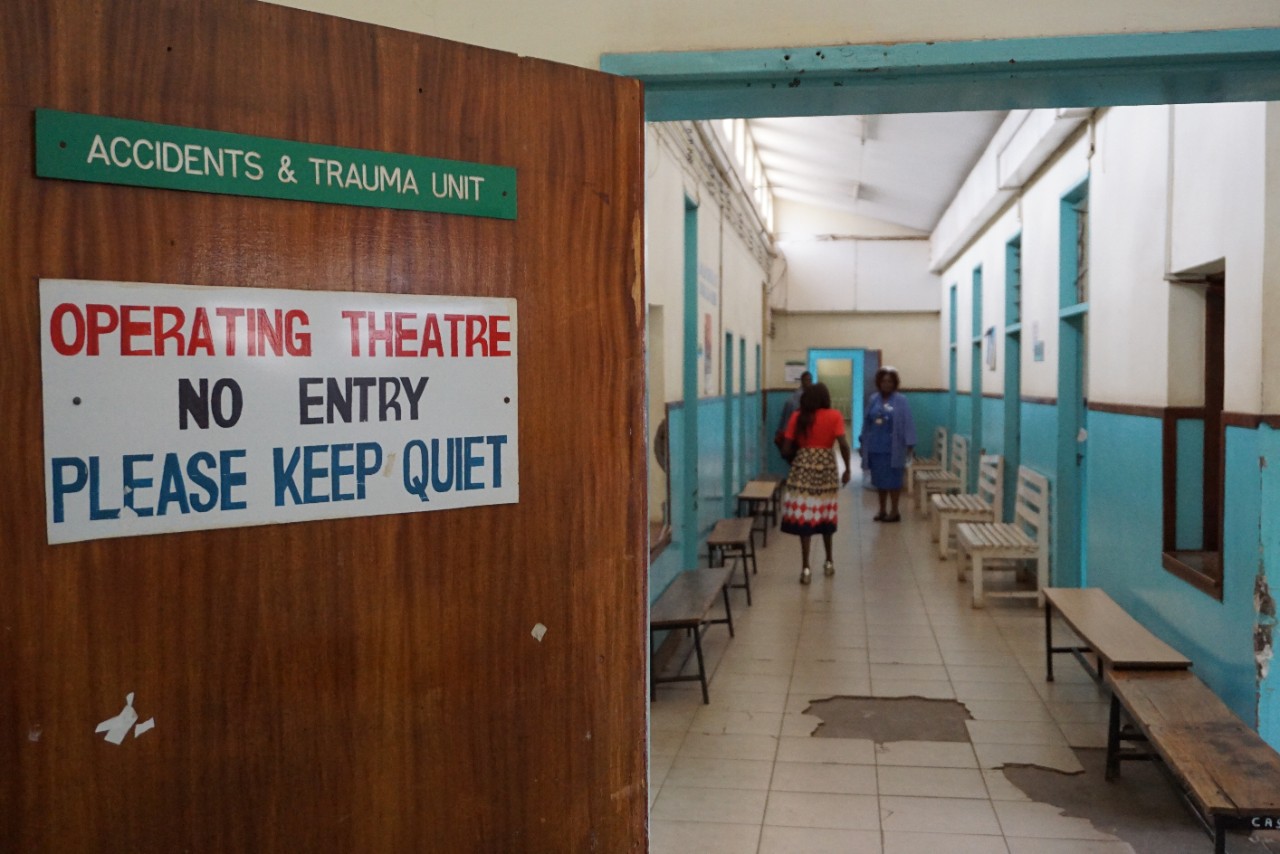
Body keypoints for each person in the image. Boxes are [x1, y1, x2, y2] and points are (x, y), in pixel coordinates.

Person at [780, 383, 852, 584]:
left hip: (803, 468)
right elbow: (844, 445)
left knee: (806, 516)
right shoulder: (834, 415)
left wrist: (800, 457)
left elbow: (786, 449)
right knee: (825, 512)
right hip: (826, 468)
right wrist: (847, 469)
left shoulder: (798, 417)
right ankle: (829, 561)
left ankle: (805, 568)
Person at [859, 366, 917, 522]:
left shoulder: (901, 400)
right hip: (876, 447)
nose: (886, 384)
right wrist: (863, 441)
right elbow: (867, 421)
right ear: (879, 383)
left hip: (894, 447)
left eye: (890, 381)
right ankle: (882, 510)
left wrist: (910, 445)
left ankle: (895, 511)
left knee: (894, 481)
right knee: (879, 481)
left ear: (894, 383)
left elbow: (908, 422)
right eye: (884, 381)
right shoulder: (873, 399)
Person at [774, 370, 812, 463]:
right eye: (807, 380)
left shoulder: (794, 398)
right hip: (795, 436)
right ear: (802, 381)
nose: (809, 383)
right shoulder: (799, 399)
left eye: (810, 380)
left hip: (790, 435)